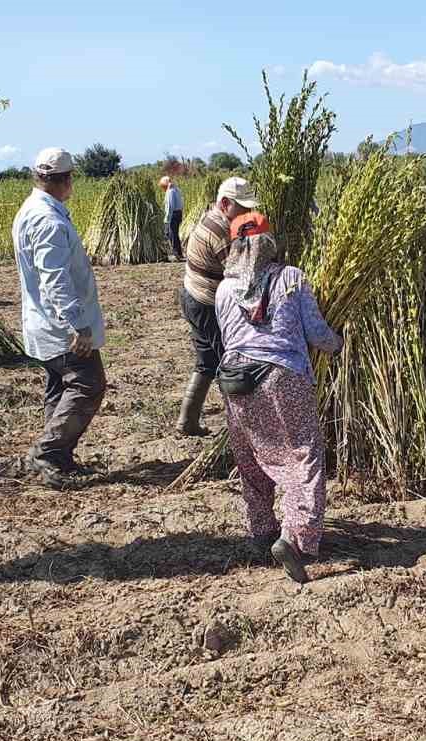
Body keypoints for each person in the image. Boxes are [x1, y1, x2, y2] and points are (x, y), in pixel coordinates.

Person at [214, 213, 343, 583]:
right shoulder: (291, 278)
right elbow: (316, 332)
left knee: (251, 458)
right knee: (303, 454)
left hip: (235, 381)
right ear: (270, 242)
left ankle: (261, 531)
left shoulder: (224, 289)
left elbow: (228, 339)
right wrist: (338, 345)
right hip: (280, 377)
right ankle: (296, 539)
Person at [12, 147, 107, 489]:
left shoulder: (33, 210)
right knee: (88, 382)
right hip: (60, 328)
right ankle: (47, 454)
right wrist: (77, 325)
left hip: (43, 324)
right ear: (65, 180)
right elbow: (54, 277)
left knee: (59, 387)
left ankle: (60, 458)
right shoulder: (48, 220)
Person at [174, 176, 258, 436]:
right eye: (241, 207)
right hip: (205, 303)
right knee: (229, 363)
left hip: (193, 296)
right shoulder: (220, 229)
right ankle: (245, 428)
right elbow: (238, 273)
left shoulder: (215, 217)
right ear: (224, 203)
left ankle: (187, 422)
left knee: (207, 361)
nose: (246, 212)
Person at [160, 175, 184, 262]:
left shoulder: (170, 191)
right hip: (178, 213)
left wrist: (167, 219)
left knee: (171, 234)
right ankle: (179, 253)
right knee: (175, 234)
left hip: (173, 215)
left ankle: (175, 254)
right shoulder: (177, 190)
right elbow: (181, 203)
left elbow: (170, 206)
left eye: (163, 186)